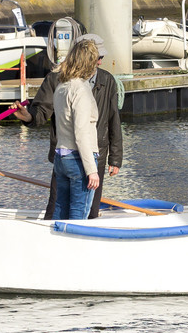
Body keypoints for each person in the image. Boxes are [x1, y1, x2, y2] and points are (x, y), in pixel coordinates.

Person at [16, 34, 123, 219]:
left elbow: (113, 119)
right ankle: (74, 240)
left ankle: (62, 238)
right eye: (96, 58)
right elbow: (74, 128)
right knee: (77, 211)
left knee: (79, 210)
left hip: (77, 154)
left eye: (101, 58)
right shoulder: (64, 83)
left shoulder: (105, 81)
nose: (99, 62)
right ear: (86, 59)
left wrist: (116, 157)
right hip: (80, 158)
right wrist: (28, 117)